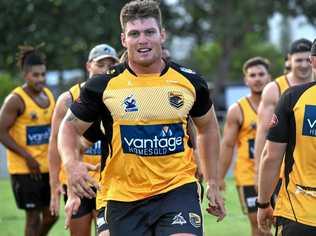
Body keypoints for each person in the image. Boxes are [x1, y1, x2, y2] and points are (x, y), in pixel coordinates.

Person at [58, 0, 225, 235]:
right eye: (134, 33)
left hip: (177, 189)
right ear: (124, 40)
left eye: (149, 32)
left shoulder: (190, 82)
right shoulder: (102, 85)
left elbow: (208, 128)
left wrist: (213, 183)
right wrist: (71, 164)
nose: (143, 40)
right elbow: (68, 128)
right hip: (121, 196)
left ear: (162, 35)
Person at [48, 43, 119, 236]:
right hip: (78, 182)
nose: (106, 69)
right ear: (89, 66)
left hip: (109, 182)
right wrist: (54, 184)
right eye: (100, 64)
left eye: (111, 64)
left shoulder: (119, 96)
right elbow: (55, 142)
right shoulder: (68, 99)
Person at [257, 38, 316, 235]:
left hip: (300, 212)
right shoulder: (276, 90)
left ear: (312, 62)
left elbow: (271, 156)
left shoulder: (293, 97)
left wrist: (263, 202)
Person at [0, 46, 57, 236]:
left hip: (46, 168)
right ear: (25, 75)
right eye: (35, 75)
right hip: (24, 169)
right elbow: (1, 132)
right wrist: (27, 157)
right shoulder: (15, 100)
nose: (41, 79)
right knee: (33, 218)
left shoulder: (48, 95)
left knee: (52, 214)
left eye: (43, 74)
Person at [218, 57, 271, 236]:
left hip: (277, 174)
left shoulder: (280, 104)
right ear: (246, 80)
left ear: (269, 77)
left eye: (261, 74)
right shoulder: (237, 109)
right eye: (252, 75)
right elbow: (227, 145)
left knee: (282, 225)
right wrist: (219, 177)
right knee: (258, 226)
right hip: (248, 176)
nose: (257, 78)